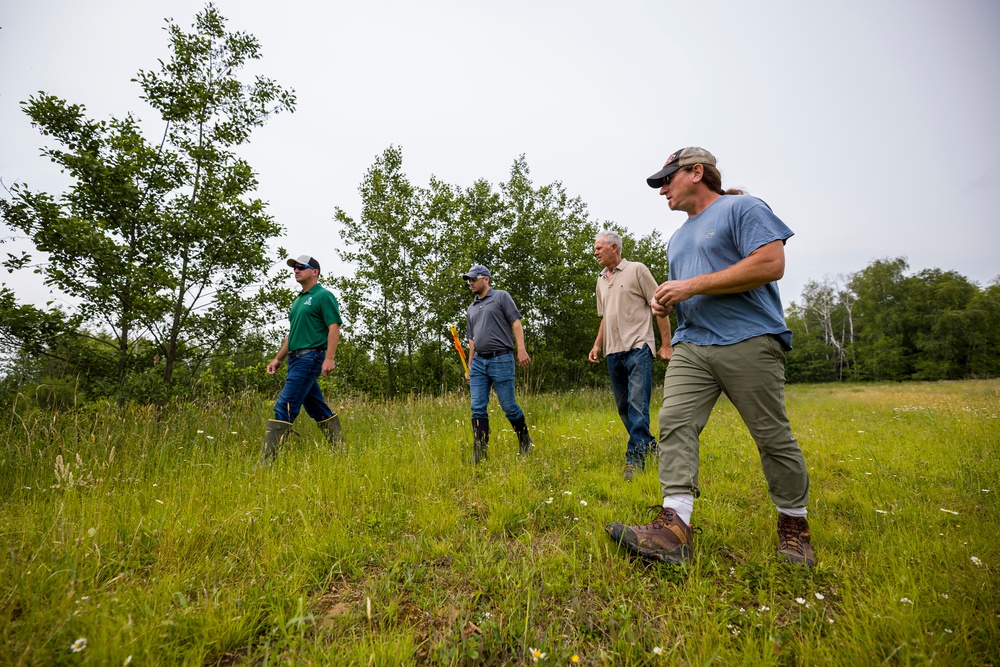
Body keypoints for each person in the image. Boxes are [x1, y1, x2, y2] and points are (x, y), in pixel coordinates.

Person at [606, 147, 816, 567]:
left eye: (668, 178)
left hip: (750, 338)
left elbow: (771, 263)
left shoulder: (743, 209)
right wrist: (667, 302)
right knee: (674, 422)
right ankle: (674, 528)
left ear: (697, 172)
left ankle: (794, 527)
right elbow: (691, 292)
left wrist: (691, 285)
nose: (662, 188)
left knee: (771, 435)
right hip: (692, 344)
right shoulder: (678, 238)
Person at [587, 230, 673, 481]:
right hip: (613, 351)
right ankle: (650, 446)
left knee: (637, 407)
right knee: (624, 408)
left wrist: (666, 344)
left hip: (638, 348)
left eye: (599, 248)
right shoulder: (601, 279)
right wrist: (596, 345)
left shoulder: (637, 270)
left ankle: (634, 460)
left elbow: (661, 306)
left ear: (614, 247)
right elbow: (605, 317)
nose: (595, 252)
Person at [260, 255, 344, 464]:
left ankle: (265, 464)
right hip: (295, 359)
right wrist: (278, 359)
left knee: (284, 406)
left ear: (314, 271)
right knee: (317, 408)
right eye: (294, 267)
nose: (296, 270)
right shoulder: (298, 301)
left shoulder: (323, 296)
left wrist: (329, 358)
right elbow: (294, 333)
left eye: (301, 267)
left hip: (311, 358)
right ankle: (341, 454)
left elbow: (334, 327)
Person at [462, 263, 533, 463]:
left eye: (474, 279)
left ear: (486, 279)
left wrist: (521, 349)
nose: (471, 283)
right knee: (477, 407)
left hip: (501, 358)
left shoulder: (501, 297)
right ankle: (479, 453)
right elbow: (472, 341)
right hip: (478, 363)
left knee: (508, 406)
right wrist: (469, 367)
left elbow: (516, 323)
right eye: (469, 280)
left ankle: (525, 440)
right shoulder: (471, 308)